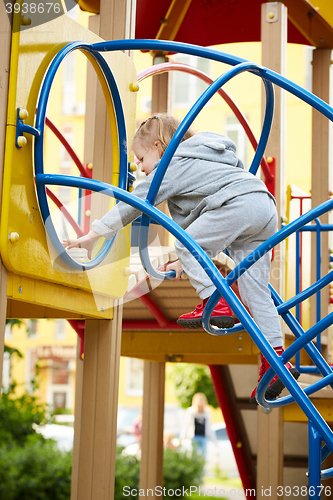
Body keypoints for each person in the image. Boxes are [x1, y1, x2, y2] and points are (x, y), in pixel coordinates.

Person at [62, 113, 299, 403]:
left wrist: (91, 235)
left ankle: (218, 302)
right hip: (262, 208)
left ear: (159, 146)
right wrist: (181, 263)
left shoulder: (170, 165)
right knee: (255, 290)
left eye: (140, 159)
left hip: (236, 205)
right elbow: (208, 231)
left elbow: (135, 203)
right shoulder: (207, 157)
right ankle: (276, 361)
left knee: (186, 245)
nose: (140, 168)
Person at [179, 393, 215, 459]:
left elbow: (209, 426)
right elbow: (186, 425)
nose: (200, 402)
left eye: (201, 400)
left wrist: (213, 439)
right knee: (194, 456)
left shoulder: (207, 412)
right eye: (199, 400)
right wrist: (182, 438)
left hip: (204, 437)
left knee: (203, 456)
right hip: (194, 437)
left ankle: (201, 469)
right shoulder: (191, 411)